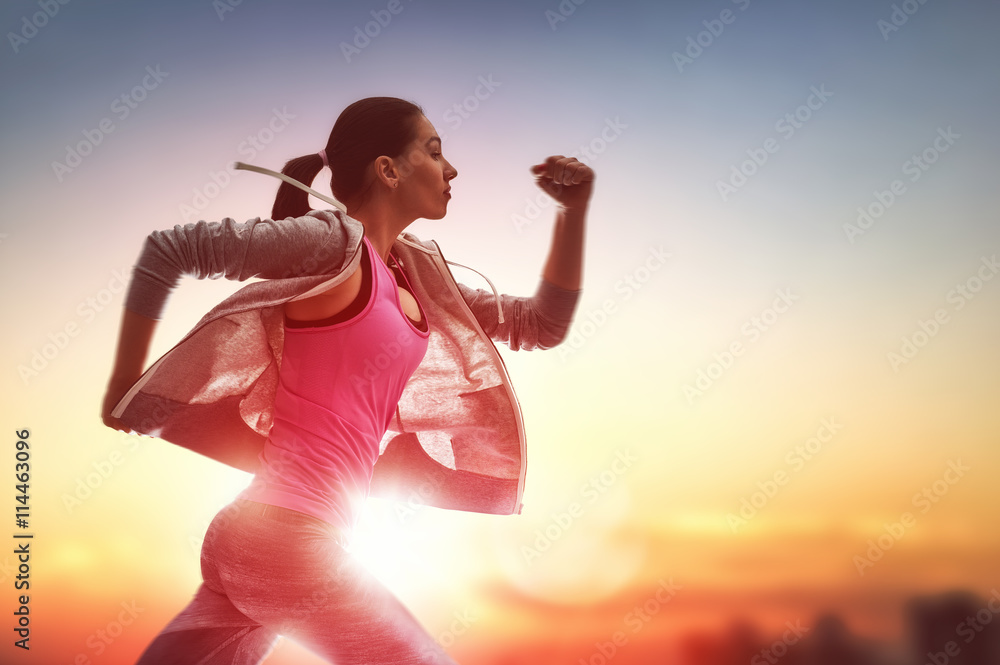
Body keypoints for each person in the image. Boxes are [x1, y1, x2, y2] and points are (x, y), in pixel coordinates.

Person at [101, 96, 592, 664]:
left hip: (269, 534)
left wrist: (572, 214)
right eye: (434, 153)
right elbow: (169, 249)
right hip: (289, 542)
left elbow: (541, 325)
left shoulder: (417, 276)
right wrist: (126, 388)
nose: (451, 169)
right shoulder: (333, 244)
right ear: (388, 169)